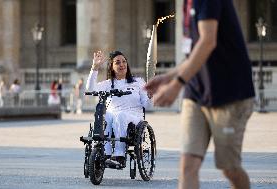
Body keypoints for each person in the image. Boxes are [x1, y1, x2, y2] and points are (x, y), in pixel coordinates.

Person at [144, 1, 255, 189]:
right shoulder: (186, 4)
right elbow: (193, 54)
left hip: (230, 93)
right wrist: (168, 77)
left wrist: (177, 84)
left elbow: (207, 41)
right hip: (196, 93)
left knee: (229, 169)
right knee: (188, 165)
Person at [86, 50, 152, 166]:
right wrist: (95, 67)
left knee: (120, 115)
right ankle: (105, 153)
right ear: (111, 67)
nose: (122, 64)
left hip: (134, 117)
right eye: (117, 62)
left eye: (124, 62)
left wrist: (151, 97)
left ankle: (119, 155)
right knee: (104, 116)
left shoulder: (138, 82)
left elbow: (147, 105)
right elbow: (90, 89)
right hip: (113, 116)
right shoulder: (107, 84)